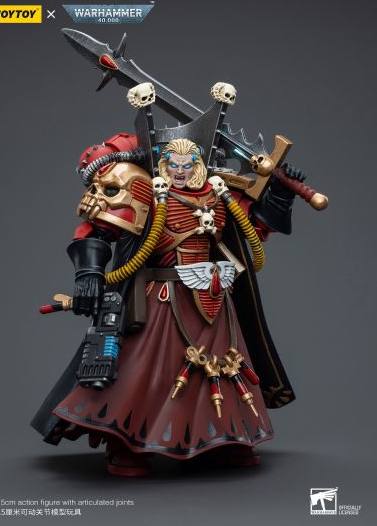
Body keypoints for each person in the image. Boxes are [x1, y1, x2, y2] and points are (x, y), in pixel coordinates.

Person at [32, 131, 305, 477]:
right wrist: (89, 272)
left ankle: (224, 438)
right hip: (162, 298)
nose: (179, 171)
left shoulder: (220, 192)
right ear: (163, 164)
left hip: (214, 298)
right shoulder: (148, 190)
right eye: (173, 164)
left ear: (198, 166)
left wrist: (280, 193)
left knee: (222, 367)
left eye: (187, 165)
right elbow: (99, 227)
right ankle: (126, 443)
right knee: (146, 371)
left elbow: (256, 226)